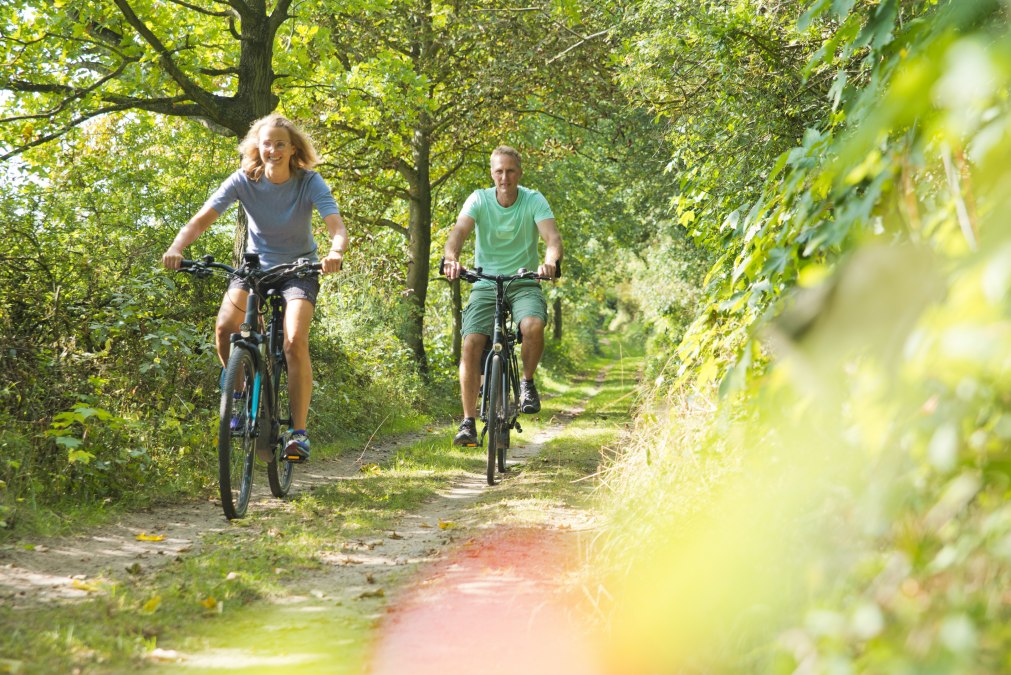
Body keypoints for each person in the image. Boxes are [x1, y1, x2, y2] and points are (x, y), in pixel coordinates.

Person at [162, 114, 348, 463]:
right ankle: (240, 394)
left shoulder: (309, 182)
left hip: (299, 269)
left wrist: (335, 252)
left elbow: (336, 226)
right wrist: (177, 247)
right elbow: (202, 218)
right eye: (267, 143)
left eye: (280, 144)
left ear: (293, 149)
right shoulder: (243, 180)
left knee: (294, 341)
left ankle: (299, 432)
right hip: (255, 268)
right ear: (257, 147)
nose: (273, 150)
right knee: (224, 329)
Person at [443, 145, 563, 446]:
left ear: (519, 173)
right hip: (485, 282)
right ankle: (468, 422)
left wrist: (550, 262)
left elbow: (552, 237)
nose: (505, 177)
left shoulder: (533, 200)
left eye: (510, 171)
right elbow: (458, 233)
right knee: (471, 343)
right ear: (492, 173)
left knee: (533, 326)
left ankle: (526, 383)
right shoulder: (479, 199)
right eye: (499, 171)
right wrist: (451, 258)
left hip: (523, 281)